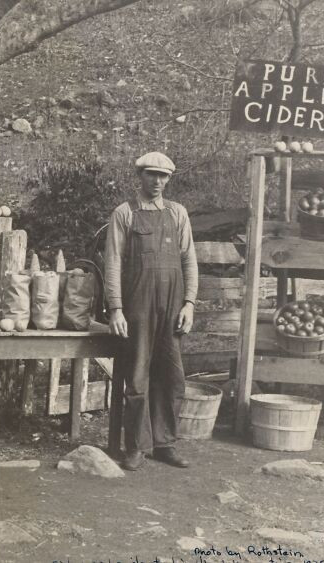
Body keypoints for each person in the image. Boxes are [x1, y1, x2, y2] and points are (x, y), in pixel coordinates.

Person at [104, 151, 198, 471]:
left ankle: (165, 443)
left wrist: (189, 303)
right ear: (140, 176)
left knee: (172, 378)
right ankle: (135, 447)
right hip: (138, 306)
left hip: (172, 305)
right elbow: (113, 264)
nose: (157, 181)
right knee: (138, 377)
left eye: (163, 176)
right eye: (151, 175)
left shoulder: (177, 213)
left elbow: (189, 261)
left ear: (169, 179)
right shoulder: (124, 214)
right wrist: (115, 309)